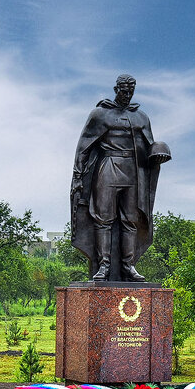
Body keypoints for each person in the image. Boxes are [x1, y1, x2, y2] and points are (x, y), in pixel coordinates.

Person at [70, 74, 171, 282]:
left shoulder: (141, 117)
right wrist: (78, 176)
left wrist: (159, 151)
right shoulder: (100, 114)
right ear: (116, 90)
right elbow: (83, 147)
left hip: (134, 171)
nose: (127, 95)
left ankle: (128, 265)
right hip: (108, 166)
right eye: (124, 91)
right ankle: (104, 265)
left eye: (130, 91)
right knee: (103, 218)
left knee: (130, 220)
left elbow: (149, 145)